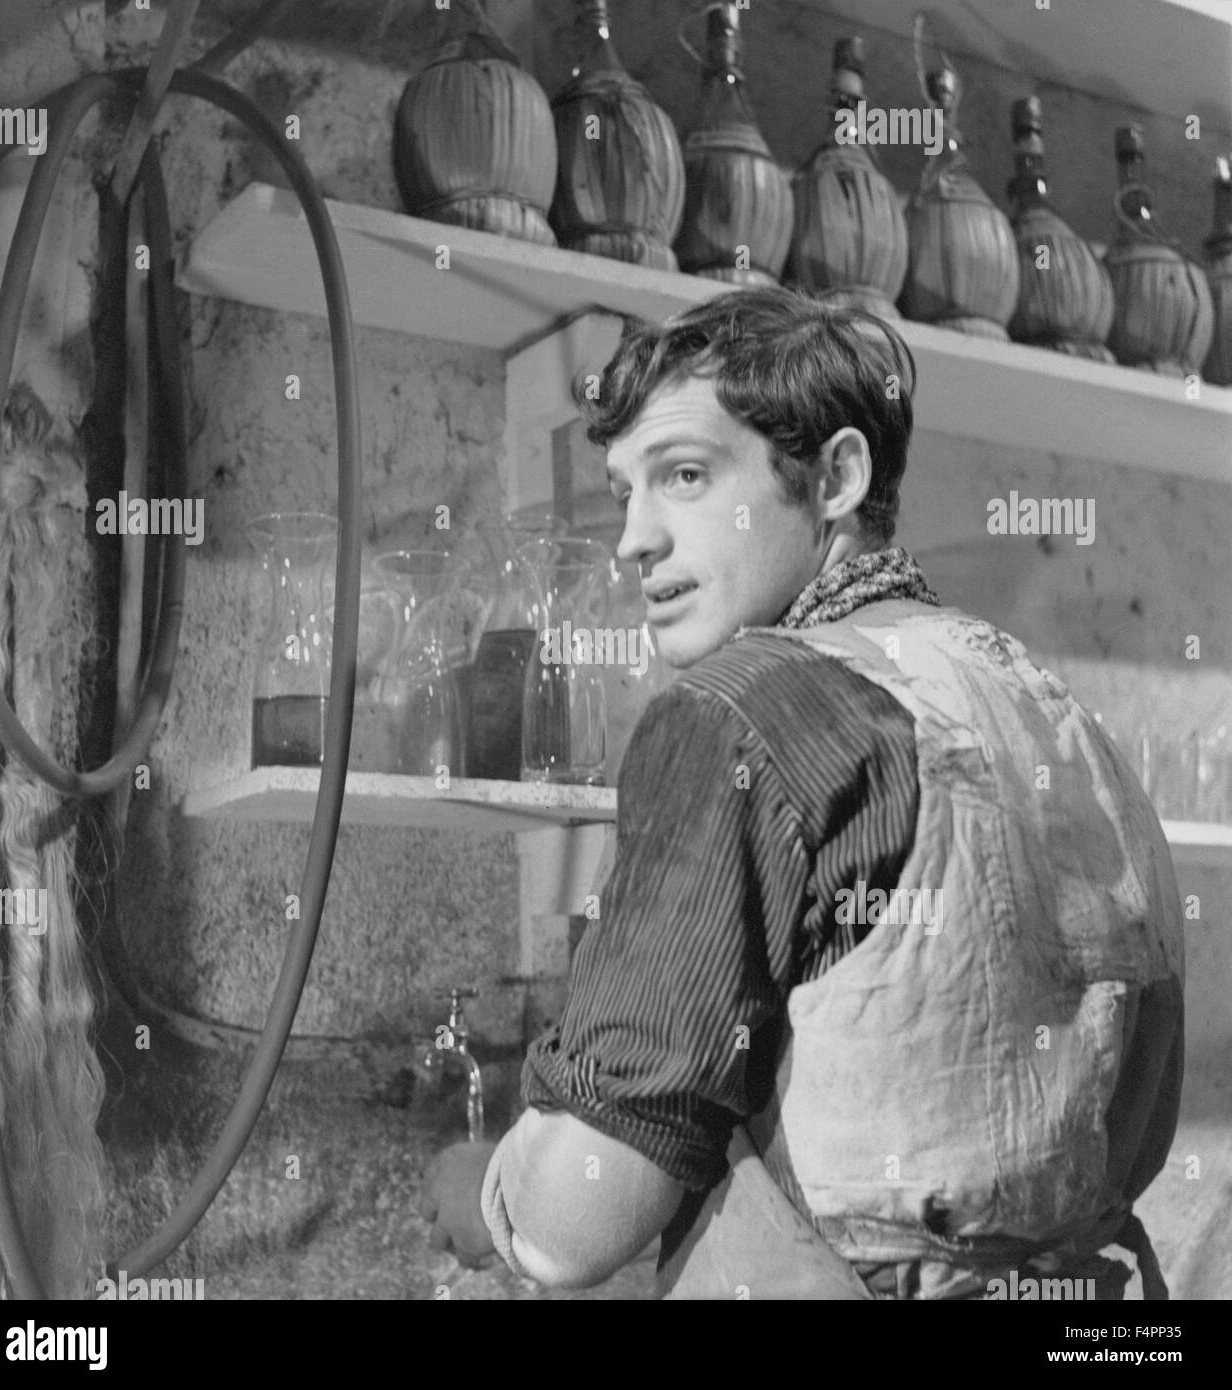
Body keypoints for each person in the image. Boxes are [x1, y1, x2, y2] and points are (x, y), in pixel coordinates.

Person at [419, 286, 1185, 1300]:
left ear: (834, 476)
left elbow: (577, 1222)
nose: (632, 540)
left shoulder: (741, 712)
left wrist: (479, 1190)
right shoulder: (1069, 726)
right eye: (623, 491)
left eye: (685, 475)